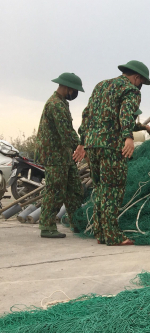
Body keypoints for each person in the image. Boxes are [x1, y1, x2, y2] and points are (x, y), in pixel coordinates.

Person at [74, 60, 150, 246]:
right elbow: (125, 114)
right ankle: (113, 236)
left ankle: (101, 233)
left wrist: (83, 142)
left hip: (93, 146)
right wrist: (128, 137)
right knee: (113, 190)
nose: (140, 86)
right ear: (136, 77)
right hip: (111, 147)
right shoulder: (131, 90)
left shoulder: (101, 86)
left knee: (100, 189)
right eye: (141, 82)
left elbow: (87, 114)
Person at [35, 72, 85, 238]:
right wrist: (81, 147)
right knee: (55, 190)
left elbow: (68, 131)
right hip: (54, 156)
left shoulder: (62, 103)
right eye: (75, 90)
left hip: (64, 156)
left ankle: (77, 222)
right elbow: (66, 132)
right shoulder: (55, 104)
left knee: (75, 189)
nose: (75, 94)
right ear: (68, 87)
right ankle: (47, 226)